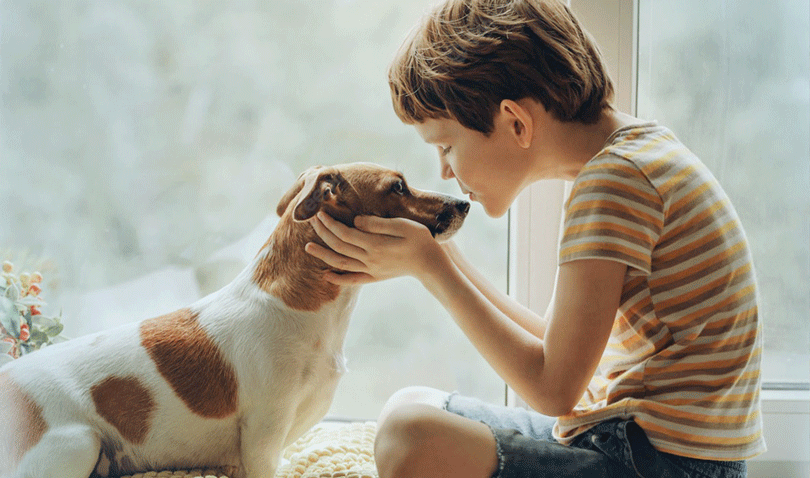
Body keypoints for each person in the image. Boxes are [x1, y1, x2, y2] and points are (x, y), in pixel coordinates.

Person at [304, 0, 766, 476]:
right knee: (412, 404)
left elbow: (553, 389)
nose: (443, 169)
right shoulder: (632, 157)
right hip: (632, 440)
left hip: (662, 464)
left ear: (516, 123)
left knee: (407, 437)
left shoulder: (614, 184)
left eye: (446, 146)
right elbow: (556, 345)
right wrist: (440, 257)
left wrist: (433, 270)